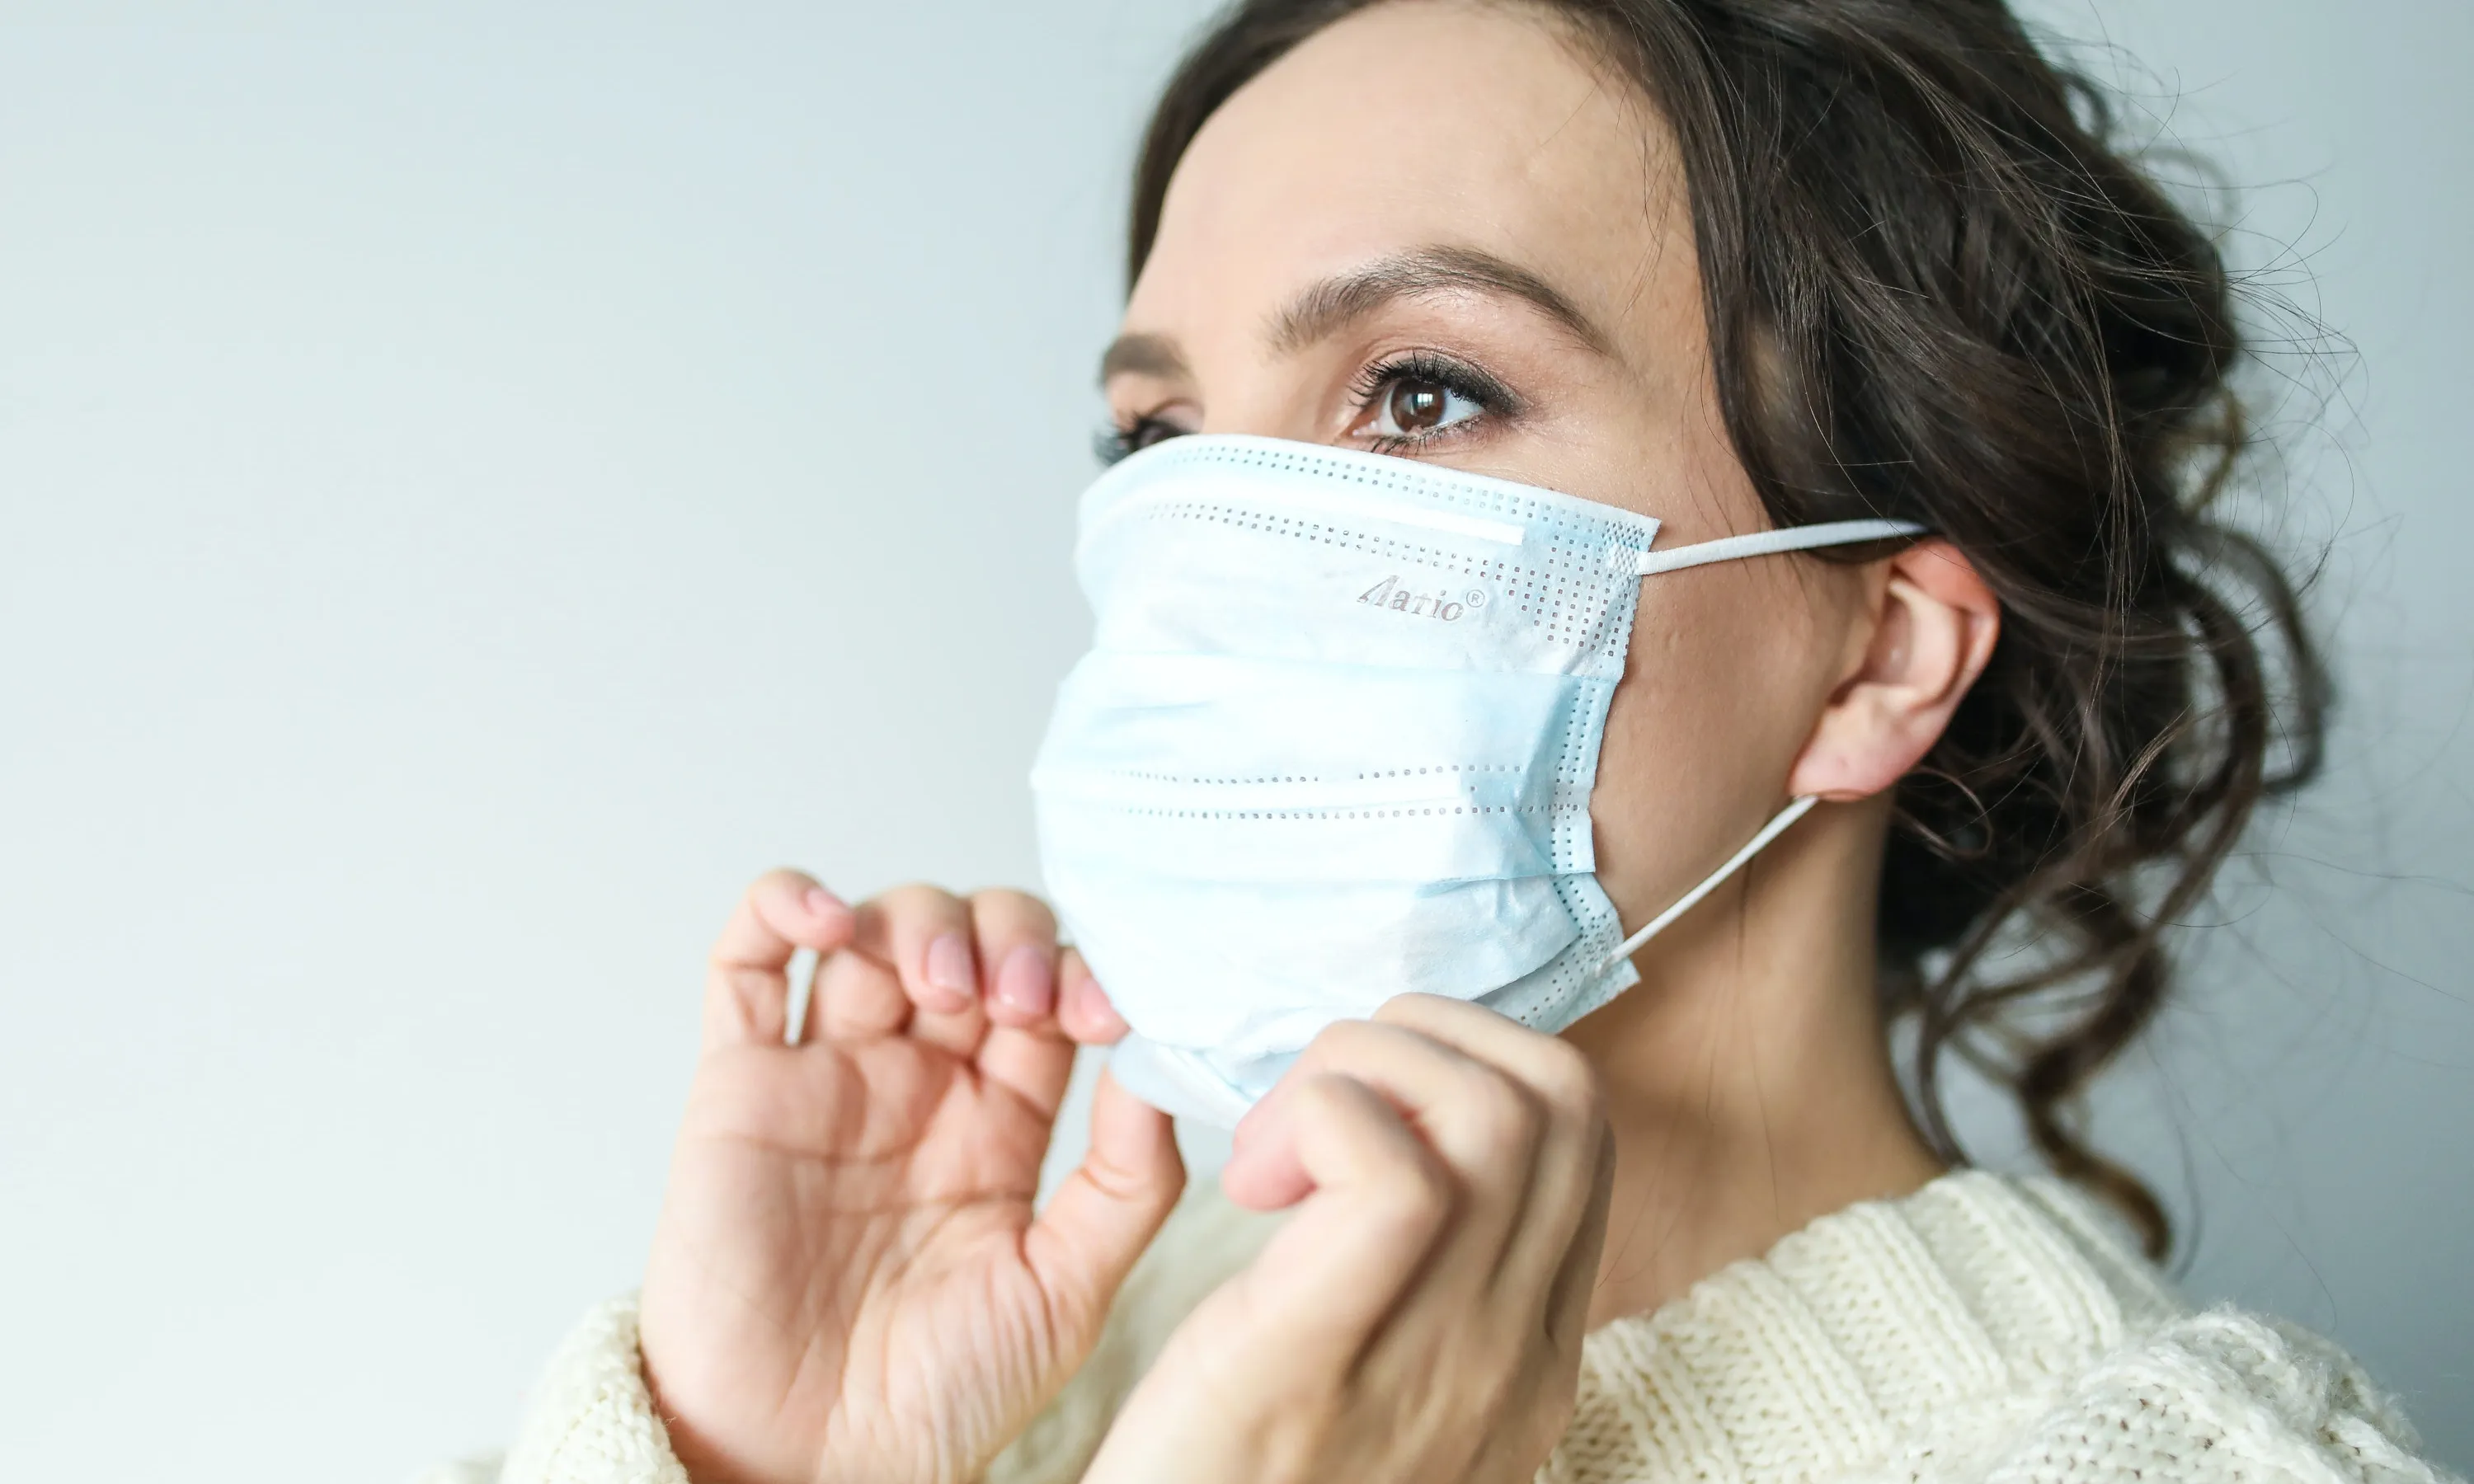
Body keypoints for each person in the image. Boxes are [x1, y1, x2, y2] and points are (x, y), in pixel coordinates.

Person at [432, 2, 2456, 1482]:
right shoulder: (1014, 1348)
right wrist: (755, 1468)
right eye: (1160, 439)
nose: (1215, 547)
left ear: (1877, 658)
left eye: (1416, 392)